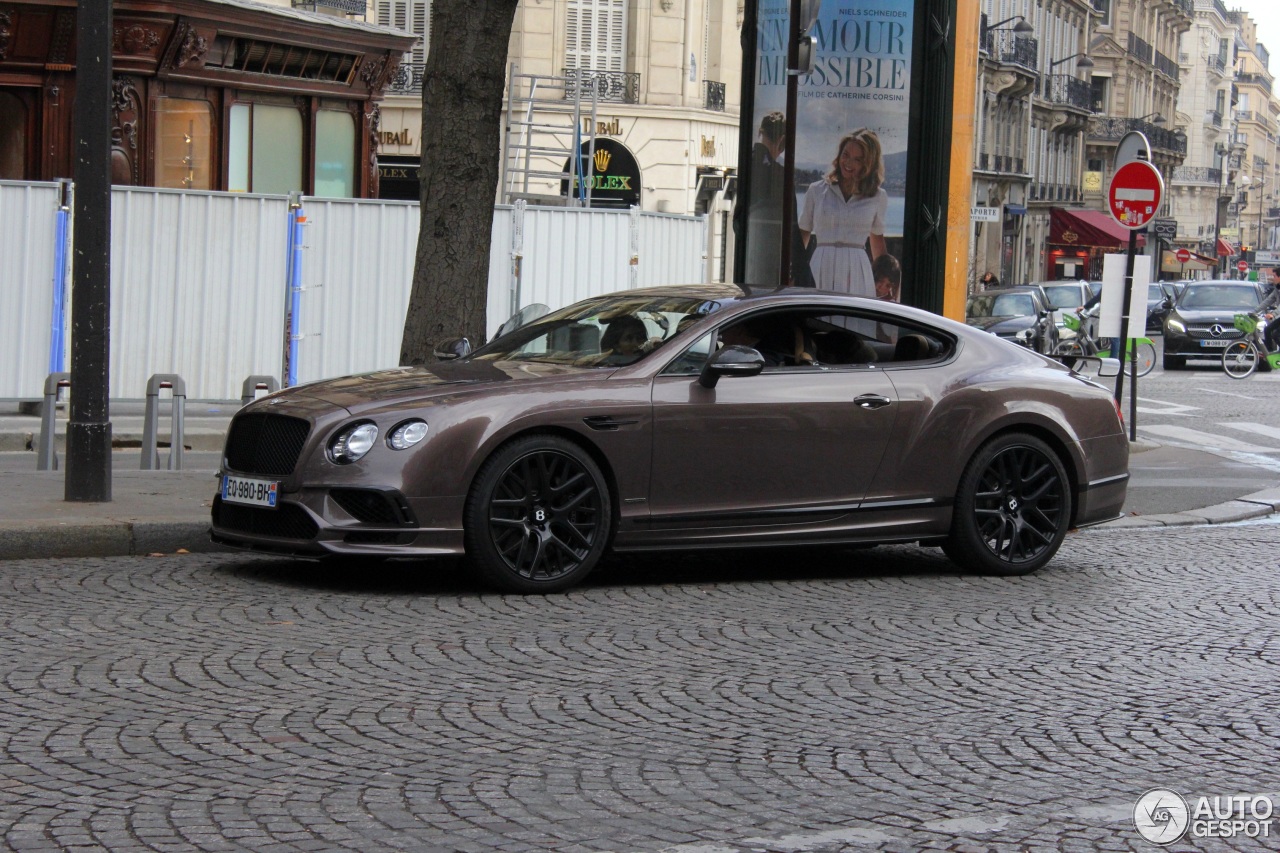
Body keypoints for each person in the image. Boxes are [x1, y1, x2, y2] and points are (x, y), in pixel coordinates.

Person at [799, 129, 889, 297]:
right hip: (820, 267)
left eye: (857, 159)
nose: (848, 162)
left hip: (857, 271)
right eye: (845, 155)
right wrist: (794, 273)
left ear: (868, 164)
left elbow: (877, 240)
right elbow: (802, 234)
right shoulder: (816, 190)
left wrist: (885, 281)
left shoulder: (878, 196)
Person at [744, 111, 814, 288]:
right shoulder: (779, 175)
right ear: (782, 139)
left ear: (762, 132)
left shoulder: (746, 165)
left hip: (749, 263)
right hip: (773, 266)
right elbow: (791, 229)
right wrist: (801, 275)